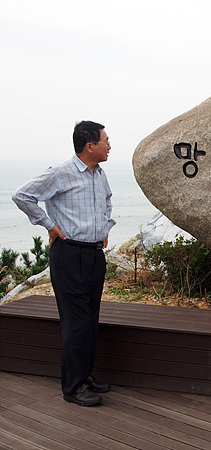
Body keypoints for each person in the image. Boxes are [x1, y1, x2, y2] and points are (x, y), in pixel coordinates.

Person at [13, 121, 116, 406]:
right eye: (106, 140)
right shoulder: (61, 173)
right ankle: (73, 387)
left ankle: (85, 375)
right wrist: (49, 225)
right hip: (69, 255)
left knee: (91, 320)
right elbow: (22, 196)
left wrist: (105, 227)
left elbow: (107, 201)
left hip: (94, 255)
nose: (110, 146)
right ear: (89, 146)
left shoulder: (99, 174)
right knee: (76, 323)